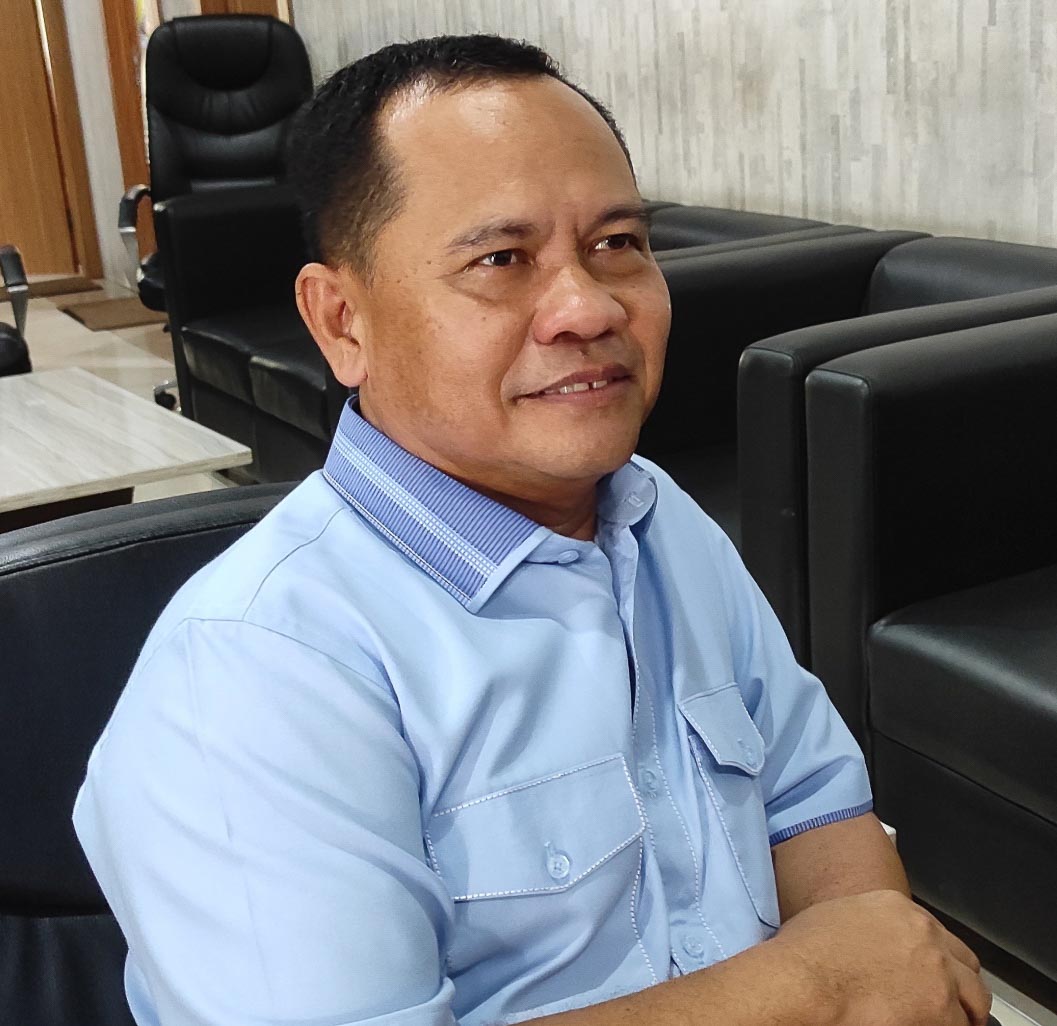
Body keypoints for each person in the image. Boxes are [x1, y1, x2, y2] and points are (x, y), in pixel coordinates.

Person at [73, 34, 994, 1026]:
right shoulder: (257, 671)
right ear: (341, 321)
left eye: (617, 244)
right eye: (501, 260)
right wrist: (815, 985)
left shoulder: (654, 516)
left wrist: (874, 964)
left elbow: (811, 801)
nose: (586, 308)